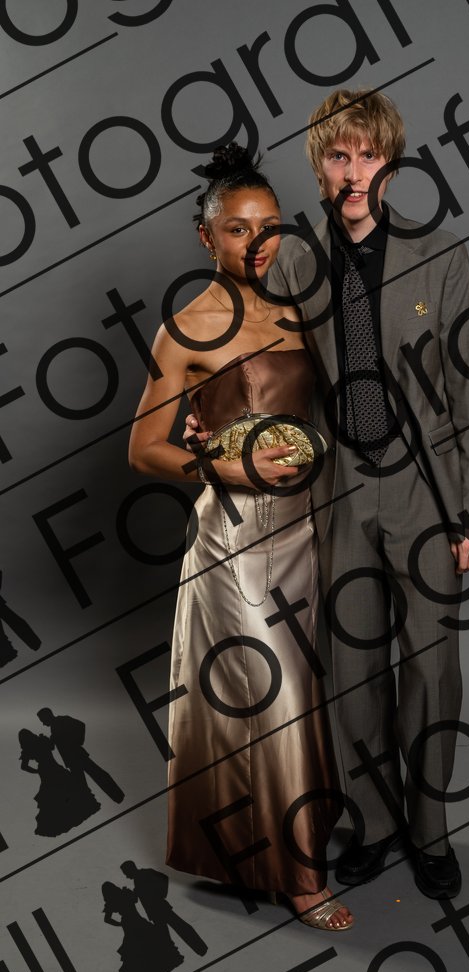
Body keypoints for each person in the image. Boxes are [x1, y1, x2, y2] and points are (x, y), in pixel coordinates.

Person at [188, 89, 469, 899]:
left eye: (369, 155)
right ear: (319, 167)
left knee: (432, 667)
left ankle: (430, 831)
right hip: (340, 489)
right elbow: (248, 339)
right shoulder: (294, 259)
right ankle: (377, 825)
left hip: (424, 490)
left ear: (390, 165)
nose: (354, 173)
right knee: (353, 673)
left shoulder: (441, 255)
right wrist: (206, 411)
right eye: (338, 156)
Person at [128, 144, 353, 931]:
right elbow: (143, 449)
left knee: (300, 692)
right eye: (237, 229)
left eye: (270, 227)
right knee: (275, 692)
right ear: (206, 237)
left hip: (306, 530)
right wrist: (221, 461)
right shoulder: (185, 329)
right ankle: (301, 878)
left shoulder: (299, 311)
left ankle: (270, 842)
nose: (258, 244)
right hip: (232, 542)